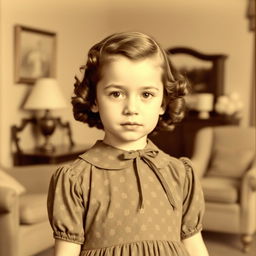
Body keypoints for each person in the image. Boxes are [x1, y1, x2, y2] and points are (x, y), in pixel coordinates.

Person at [47, 31, 209, 256]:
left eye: (146, 95)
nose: (131, 108)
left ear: (163, 103)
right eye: (116, 94)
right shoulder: (76, 178)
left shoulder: (180, 174)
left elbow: (194, 245)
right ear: (94, 100)